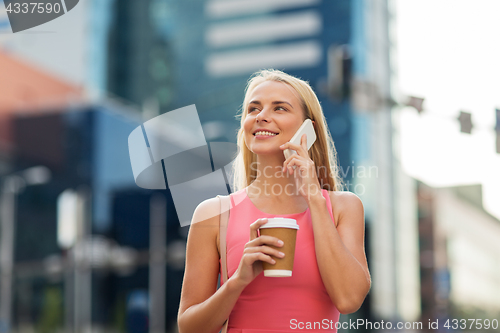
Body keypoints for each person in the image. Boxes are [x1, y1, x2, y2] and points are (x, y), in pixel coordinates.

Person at [177, 69, 370, 333]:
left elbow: (349, 299)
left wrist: (314, 198)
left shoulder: (343, 207)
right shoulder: (214, 214)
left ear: (307, 129)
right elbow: (189, 328)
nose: (262, 117)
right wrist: (237, 281)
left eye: (279, 108)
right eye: (253, 109)